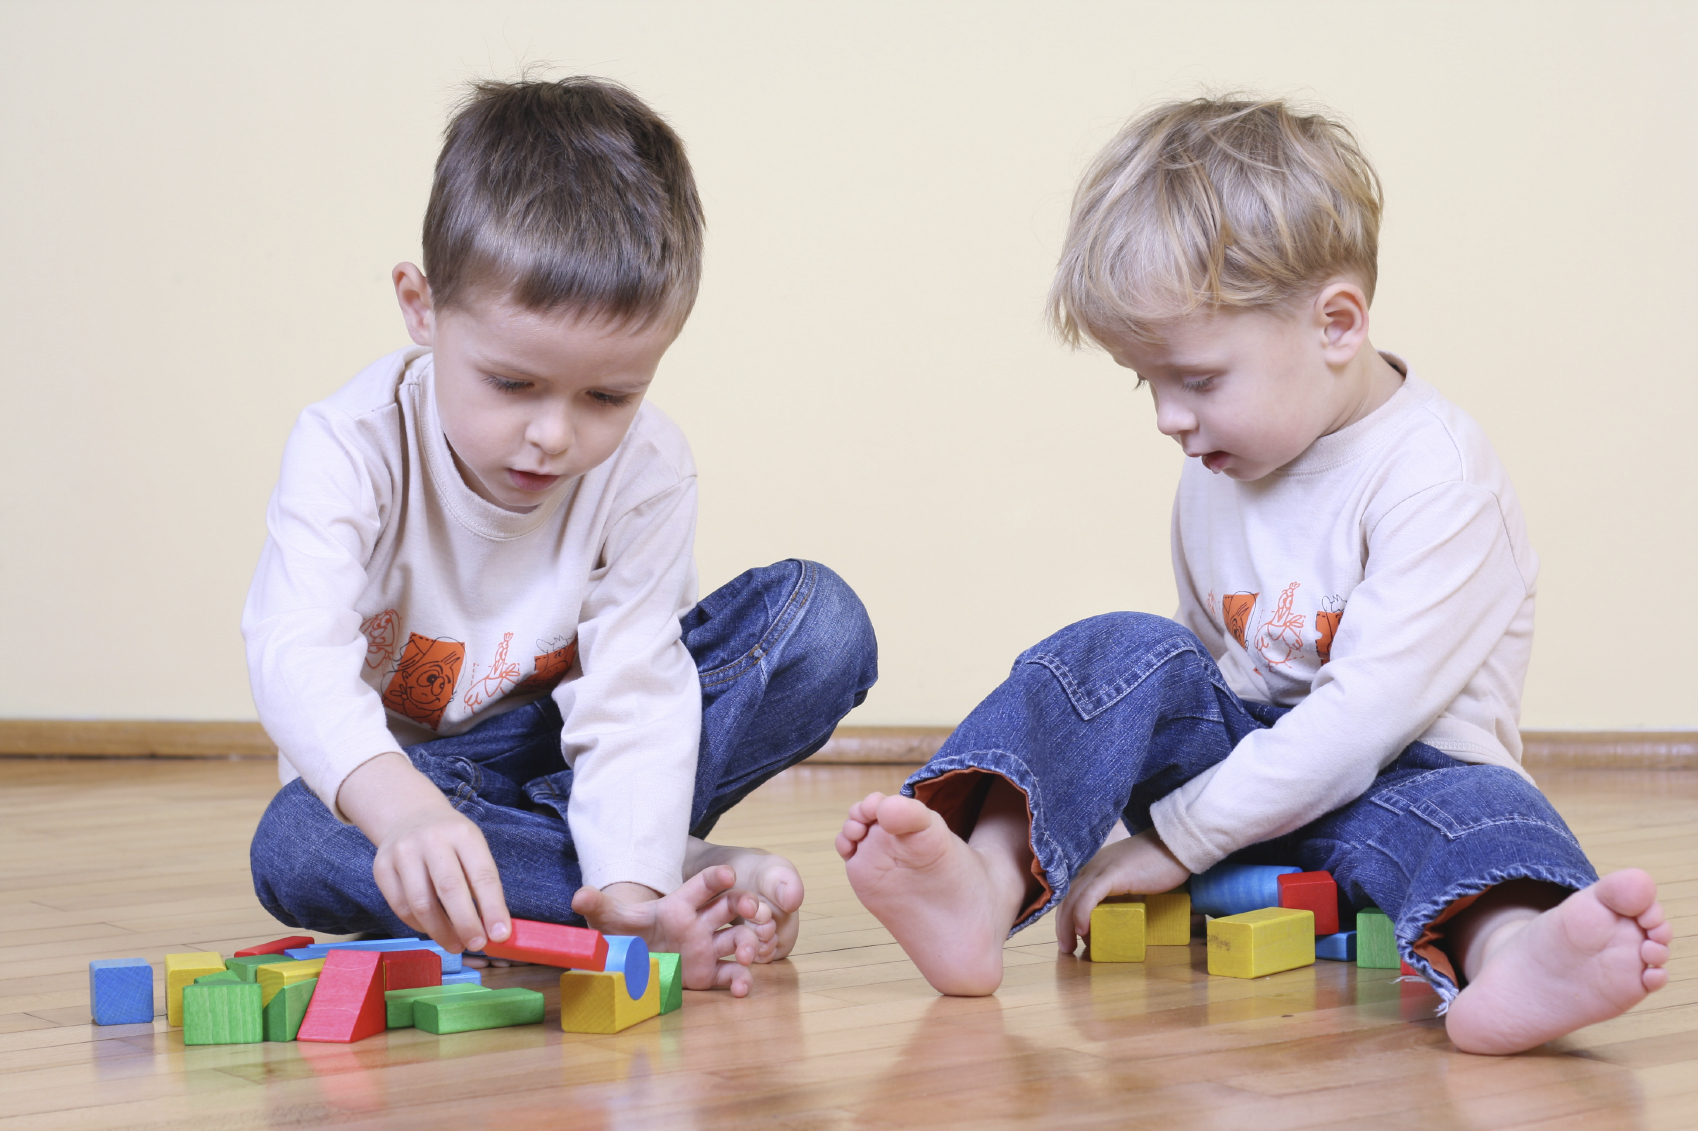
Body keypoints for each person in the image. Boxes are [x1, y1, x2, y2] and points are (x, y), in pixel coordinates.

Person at [838, 95, 1671, 1053]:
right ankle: (985, 881)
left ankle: (1518, 953)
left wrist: (1175, 841)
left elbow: (1361, 723)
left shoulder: (1438, 477)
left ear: (1337, 324)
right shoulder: (1219, 461)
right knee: (1123, 650)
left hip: (1399, 780)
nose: (1168, 418)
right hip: (1243, 779)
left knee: (1485, 814)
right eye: (1145, 382)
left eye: (1196, 379)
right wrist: (1165, 813)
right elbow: (1202, 666)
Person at [245, 77, 876, 996]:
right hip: (410, 781)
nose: (554, 435)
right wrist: (408, 811)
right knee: (298, 838)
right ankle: (666, 866)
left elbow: (631, 689)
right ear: (422, 307)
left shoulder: (648, 467)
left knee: (823, 625)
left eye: (609, 396)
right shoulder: (350, 445)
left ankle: (624, 875)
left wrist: (631, 907)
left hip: (565, 750)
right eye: (511, 384)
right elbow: (293, 651)